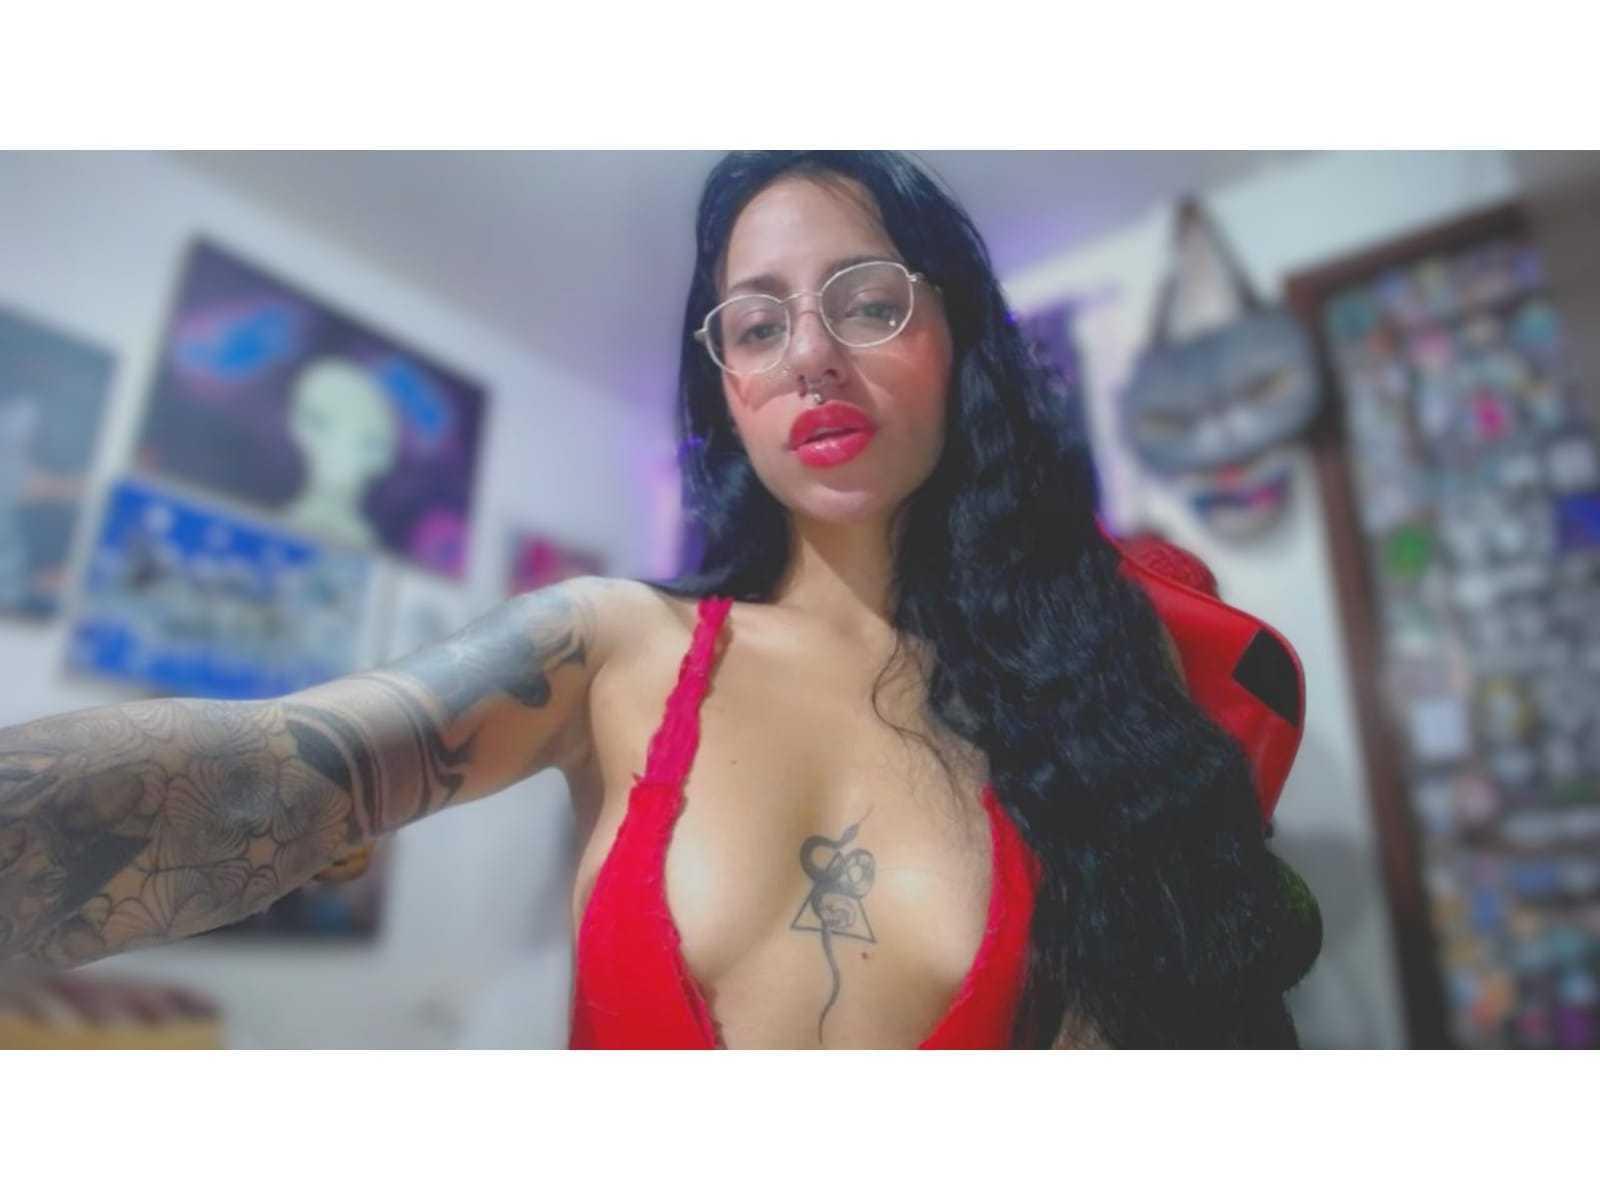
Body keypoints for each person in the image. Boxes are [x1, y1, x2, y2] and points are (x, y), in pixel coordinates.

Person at [0, 150, 1315, 1048]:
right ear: (726, 391)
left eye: (867, 302)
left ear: (955, 333)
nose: (810, 355)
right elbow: (279, 768)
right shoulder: (607, 645)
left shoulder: (1083, 691)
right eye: (757, 325)